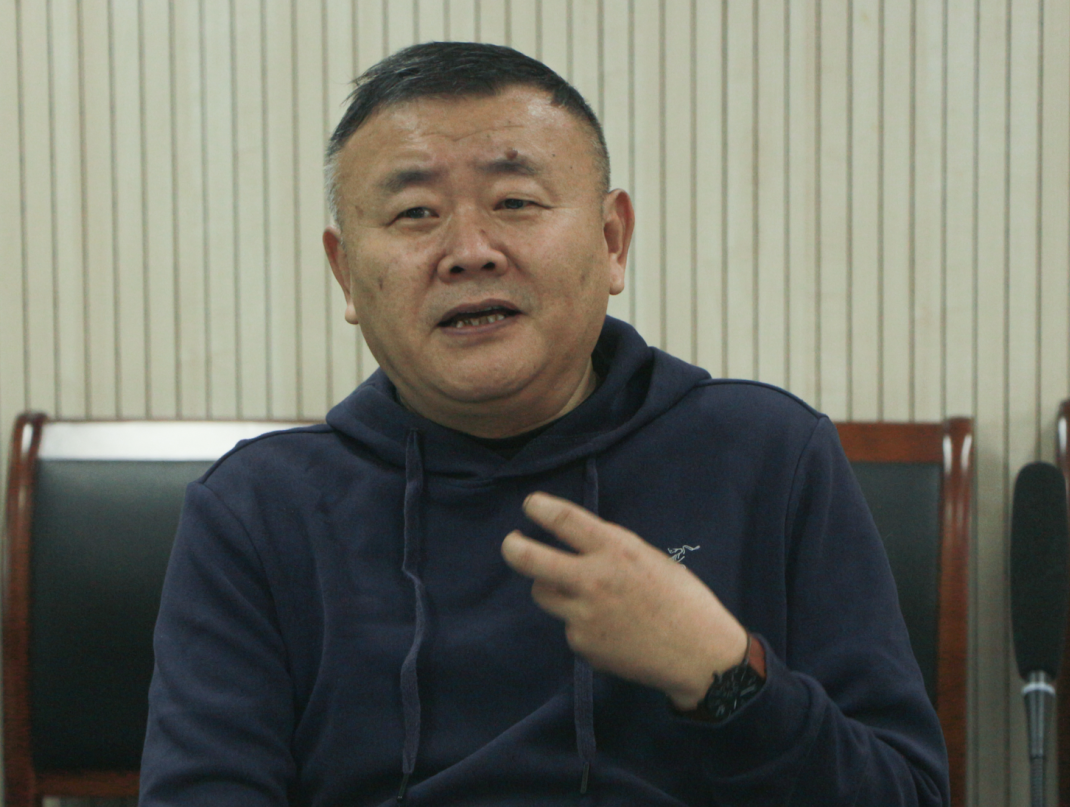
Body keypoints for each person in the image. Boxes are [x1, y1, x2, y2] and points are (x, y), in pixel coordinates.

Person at [139, 42, 948, 806]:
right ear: (346, 273)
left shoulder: (767, 453)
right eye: (415, 212)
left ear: (612, 240)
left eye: (516, 202)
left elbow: (905, 791)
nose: (470, 250)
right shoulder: (258, 510)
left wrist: (724, 673)